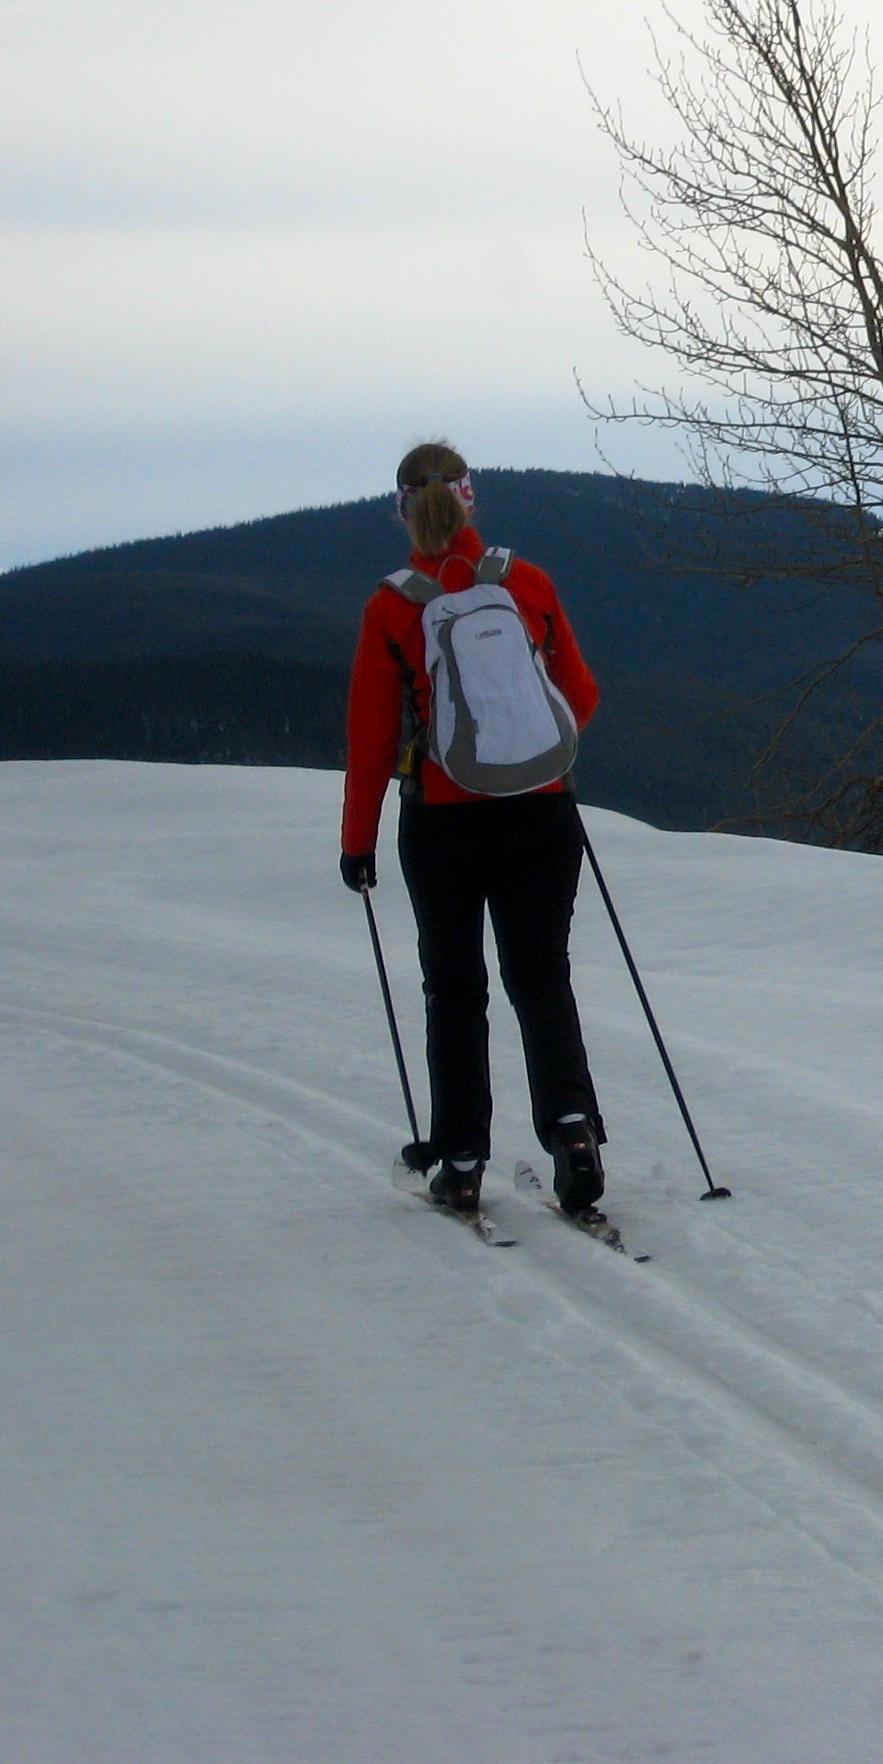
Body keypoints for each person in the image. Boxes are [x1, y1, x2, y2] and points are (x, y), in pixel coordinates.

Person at [339, 444, 608, 1218]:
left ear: (403, 510)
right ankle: (573, 1132)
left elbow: (371, 740)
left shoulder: (392, 608)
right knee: (541, 975)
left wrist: (358, 842)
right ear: (469, 498)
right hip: (542, 811)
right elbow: (580, 696)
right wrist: (529, 757)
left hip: (443, 820)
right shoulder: (528, 583)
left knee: (454, 988)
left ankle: (460, 1159)